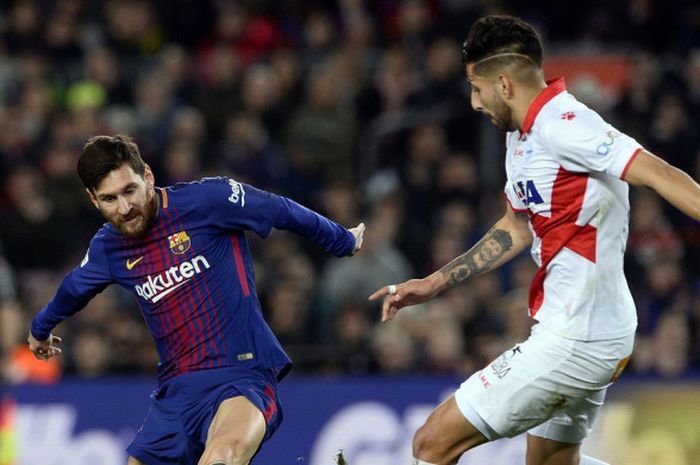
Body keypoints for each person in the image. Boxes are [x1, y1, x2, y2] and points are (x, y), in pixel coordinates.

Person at [370, 15, 700, 465]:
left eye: (476, 87)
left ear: (504, 84)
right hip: (585, 326)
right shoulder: (521, 137)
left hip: (580, 334)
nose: (473, 102)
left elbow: (658, 173)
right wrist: (433, 284)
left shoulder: (566, 125)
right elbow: (515, 225)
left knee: (431, 444)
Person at [27, 134, 365, 465]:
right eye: (110, 199)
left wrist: (342, 240)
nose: (126, 207)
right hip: (175, 395)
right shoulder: (108, 248)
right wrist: (40, 329)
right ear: (93, 199)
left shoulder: (208, 200)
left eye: (130, 190)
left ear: (147, 175)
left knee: (222, 456)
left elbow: (280, 210)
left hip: (242, 377)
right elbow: (73, 289)